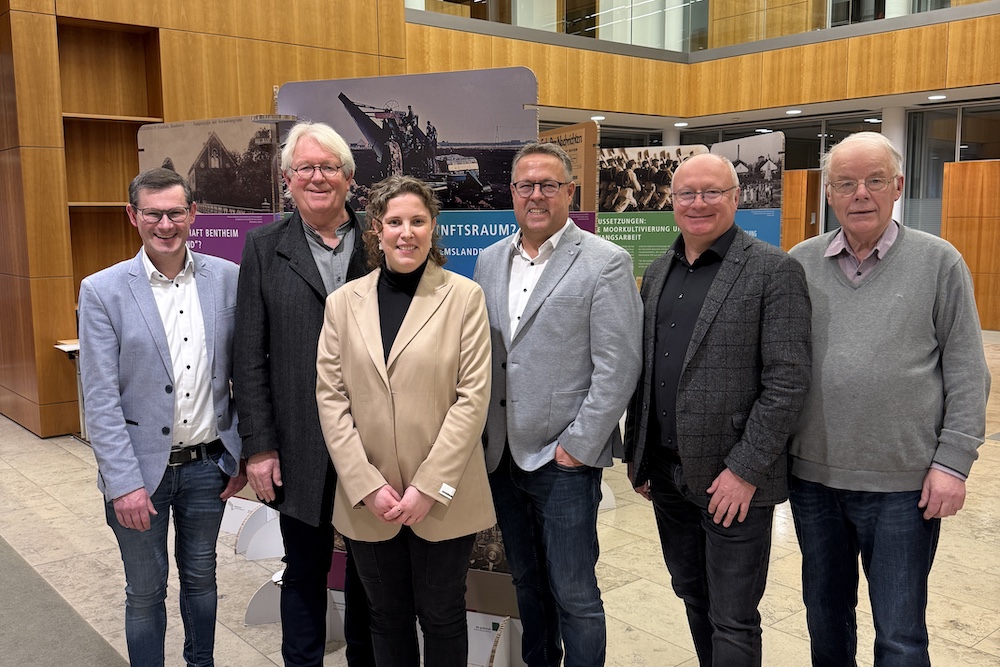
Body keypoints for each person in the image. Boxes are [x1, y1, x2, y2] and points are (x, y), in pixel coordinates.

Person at [787, 131, 991, 667]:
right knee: (825, 619)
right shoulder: (800, 263)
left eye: (874, 181)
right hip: (814, 482)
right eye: (846, 183)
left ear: (897, 186)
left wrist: (953, 464)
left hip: (904, 487)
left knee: (900, 633)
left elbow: (967, 371)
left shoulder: (939, 262)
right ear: (828, 193)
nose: (861, 194)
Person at [623, 152, 812, 667]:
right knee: (691, 593)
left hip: (733, 482)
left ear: (736, 198)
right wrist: (640, 456)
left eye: (712, 192)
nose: (698, 203)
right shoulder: (657, 270)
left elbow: (787, 382)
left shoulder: (774, 270)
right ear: (672, 201)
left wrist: (744, 471)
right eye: (687, 193)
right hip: (667, 475)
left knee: (733, 617)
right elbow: (647, 371)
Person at [473, 142, 643, 667]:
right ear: (512, 193)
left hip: (563, 460)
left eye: (549, 185)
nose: (536, 195)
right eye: (526, 185)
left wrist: (577, 447)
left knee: (575, 594)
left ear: (570, 191)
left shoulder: (605, 261)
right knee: (527, 582)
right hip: (502, 456)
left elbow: (619, 366)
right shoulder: (489, 260)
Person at [316, 175, 495, 667]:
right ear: (376, 229)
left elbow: (472, 399)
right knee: (386, 616)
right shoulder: (343, 303)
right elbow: (331, 400)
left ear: (434, 226)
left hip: (443, 496)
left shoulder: (464, 298)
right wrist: (366, 484)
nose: (406, 232)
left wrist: (429, 486)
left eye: (418, 220)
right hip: (370, 498)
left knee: (442, 615)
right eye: (394, 221)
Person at [78, 168, 245, 667]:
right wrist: (123, 483)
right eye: (153, 214)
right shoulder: (103, 290)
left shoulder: (227, 278)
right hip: (138, 476)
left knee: (201, 581)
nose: (165, 225)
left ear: (193, 214)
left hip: (207, 468)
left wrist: (238, 452)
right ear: (133, 216)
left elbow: (246, 374)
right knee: (146, 592)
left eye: (175, 213)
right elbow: (100, 398)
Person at [234, 121, 374, 667]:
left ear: (349, 177)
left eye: (329, 167)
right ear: (288, 179)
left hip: (374, 443)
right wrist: (259, 447)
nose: (318, 177)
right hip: (298, 444)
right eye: (306, 168)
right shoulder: (265, 247)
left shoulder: (382, 240)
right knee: (304, 571)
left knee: (372, 576)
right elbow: (249, 355)